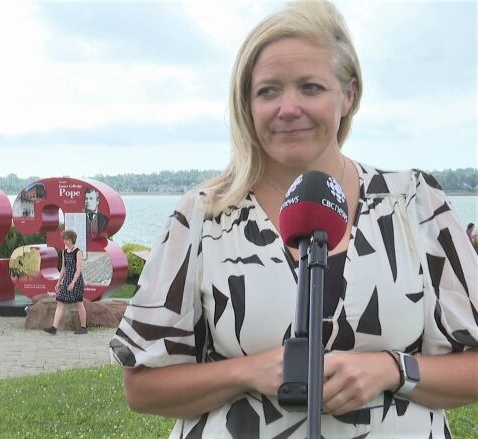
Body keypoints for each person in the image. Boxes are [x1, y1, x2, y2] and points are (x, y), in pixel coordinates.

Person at [109, 2, 478, 437]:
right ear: (247, 103)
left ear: (349, 94)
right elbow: (143, 388)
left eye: (310, 87)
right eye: (268, 91)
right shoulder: (203, 217)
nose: (288, 107)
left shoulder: (412, 202)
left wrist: (393, 369)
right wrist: (247, 372)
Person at [44, 230, 88, 335]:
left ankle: (83, 327)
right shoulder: (64, 252)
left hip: (76, 281)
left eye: (67, 239)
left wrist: (73, 282)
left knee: (79, 303)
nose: (65, 241)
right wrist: (58, 281)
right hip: (66, 280)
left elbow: (79, 269)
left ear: (72, 239)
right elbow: (63, 268)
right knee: (60, 302)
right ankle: (54, 327)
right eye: (64, 239)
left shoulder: (78, 252)